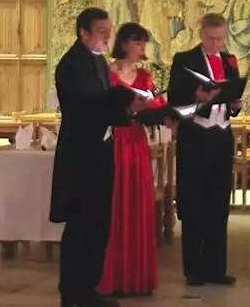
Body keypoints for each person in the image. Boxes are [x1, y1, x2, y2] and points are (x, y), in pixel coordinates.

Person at [51, 7, 141, 307]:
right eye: (101, 32)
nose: (107, 37)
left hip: (102, 151)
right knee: (79, 224)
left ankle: (89, 287)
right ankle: (72, 291)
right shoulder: (71, 65)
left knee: (99, 222)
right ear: (84, 33)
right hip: (81, 155)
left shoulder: (100, 63)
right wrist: (121, 97)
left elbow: (106, 106)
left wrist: (129, 109)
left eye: (109, 31)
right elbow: (82, 107)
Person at [166, 12, 241, 287]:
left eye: (220, 39)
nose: (215, 45)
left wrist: (234, 104)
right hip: (195, 137)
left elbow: (231, 93)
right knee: (194, 203)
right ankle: (194, 269)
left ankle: (216, 268)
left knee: (218, 205)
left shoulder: (229, 61)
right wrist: (196, 97)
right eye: (211, 39)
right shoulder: (185, 61)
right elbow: (174, 98)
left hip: (221, 137)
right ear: (201, 34)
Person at [98, 23, 163, 297]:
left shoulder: (145, 76)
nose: (142, 50)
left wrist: (155, 106)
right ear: (125, 43)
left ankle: (137, 277)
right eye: (139, 44)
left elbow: (158, 108)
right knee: (114, 206)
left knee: (136, 205)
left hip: (136, 143)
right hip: (115, 142)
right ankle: (111, 277)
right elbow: (102, 107)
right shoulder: (108, 74)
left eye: (144, 45)